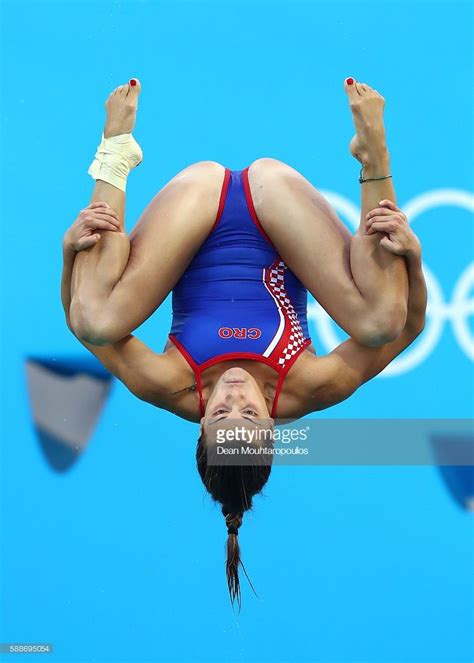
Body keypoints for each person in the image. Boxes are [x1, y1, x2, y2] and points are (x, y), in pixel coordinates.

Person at [61, 76, 427, 606]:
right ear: (273, 426)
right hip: (277, 201)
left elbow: (78, 319)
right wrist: (411, 258)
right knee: (379, 321)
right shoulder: (310, 387)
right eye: (249, 416)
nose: (233, 396)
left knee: (97, 318)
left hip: (197, 200)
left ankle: (116, 151)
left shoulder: (164, 383)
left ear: (200, 422)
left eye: (221, 415)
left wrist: (68, 252)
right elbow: (410, 325)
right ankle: (374, 155)